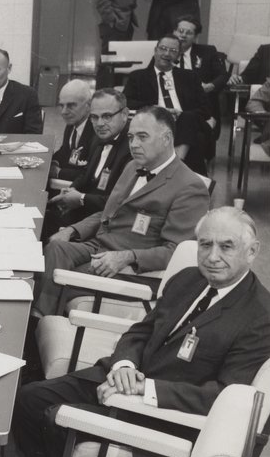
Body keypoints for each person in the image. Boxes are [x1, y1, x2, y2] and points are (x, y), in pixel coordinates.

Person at [14, 206, 270, 457]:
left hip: (163, 414)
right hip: (122, 378)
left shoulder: (260, 317)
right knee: (28, 399)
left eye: (226, 247)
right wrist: (124, 366)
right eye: (205, 245)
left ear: (252, 251)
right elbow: (142, 331)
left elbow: (223, 396)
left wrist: (144, 389)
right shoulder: (188, 279)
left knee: (55, 419)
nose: (213, 257)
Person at [34, 106, 209, 318]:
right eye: (131, 137)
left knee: (55, 276)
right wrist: (72, 230)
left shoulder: (190, 187)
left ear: (166, 138)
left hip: (133, 268)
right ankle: (38, 317)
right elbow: (108, 212)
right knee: (54, 248)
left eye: (142, 137)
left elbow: (176, 252)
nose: (134, 144)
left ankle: (37, 323)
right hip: (100, 245)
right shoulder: (133, 167)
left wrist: (128, 257)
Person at [43, 89, 132, 239]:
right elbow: (86, 173)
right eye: (94, 117)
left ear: (124, 114)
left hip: (104, 225)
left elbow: (121, 202)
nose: (100, 124)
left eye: (107, 116)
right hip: (83, 211)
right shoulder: (99, 138)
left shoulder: (133, 149)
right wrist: (71, 190)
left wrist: (81, 198)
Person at [123, 35, 214, 175]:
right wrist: (157, 109)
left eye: (173, 51)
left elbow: (206, 110)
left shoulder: (190, 77)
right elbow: (127, 102)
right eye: (163, 48)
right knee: (194, 140)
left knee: (188, 118)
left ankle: (175, 164)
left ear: (178, 55)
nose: (167, 53)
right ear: (155, 51)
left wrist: (180, 114)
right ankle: (183, 172)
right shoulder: (138, 76)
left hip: (186, 122)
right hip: (155, 121)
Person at [49, 80, 97, 183]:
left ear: (89, 104)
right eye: (62, 106)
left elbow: (92, 174)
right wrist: (52, 163)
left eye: (71, 106)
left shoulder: (97, 132)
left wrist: (58, 172)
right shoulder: (72, 123)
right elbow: (64, 150)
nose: (64, 112)